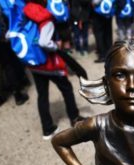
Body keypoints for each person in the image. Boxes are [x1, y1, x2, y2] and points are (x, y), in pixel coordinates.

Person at [23, 0, 84, 139]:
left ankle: (47, 129)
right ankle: (75, 118)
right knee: (67, 88)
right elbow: (44, 42)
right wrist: (56, 46)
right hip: (49, 64)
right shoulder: (45, 17)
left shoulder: (25, 11)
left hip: (34, 62)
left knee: (42, 95)